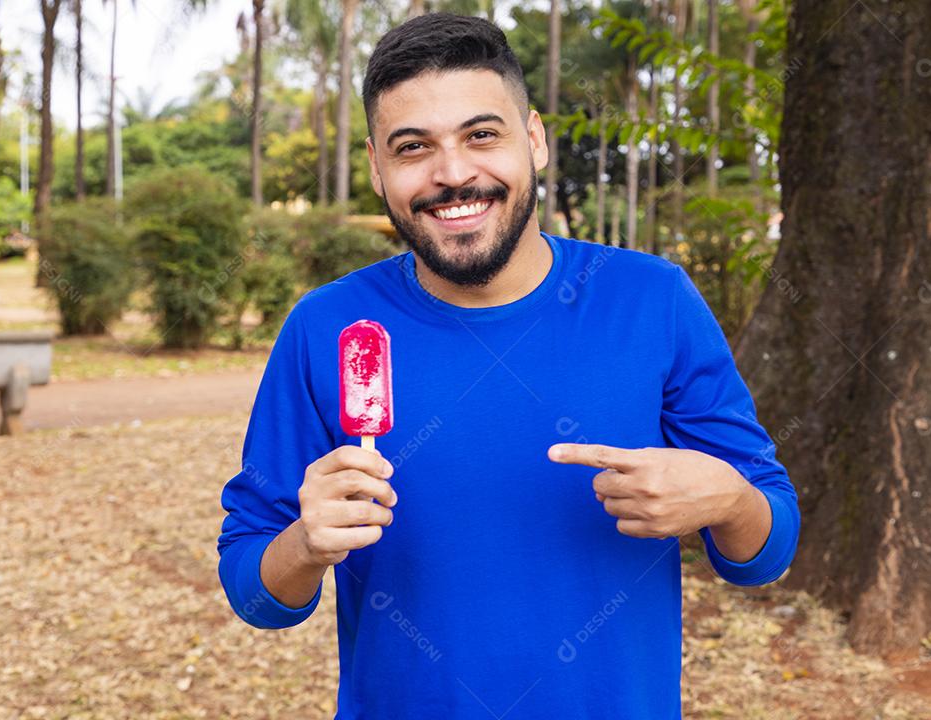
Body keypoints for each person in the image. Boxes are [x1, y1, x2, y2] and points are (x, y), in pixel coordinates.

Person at [217, 13, 800, 719]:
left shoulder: (654, 300)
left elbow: (767, 551)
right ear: (377, 168)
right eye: (413, 148)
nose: (454, 173)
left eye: (481, 135)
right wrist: (304, 546)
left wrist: (730, 499)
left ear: (534, 140)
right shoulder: (327, 326)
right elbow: (254, 595)